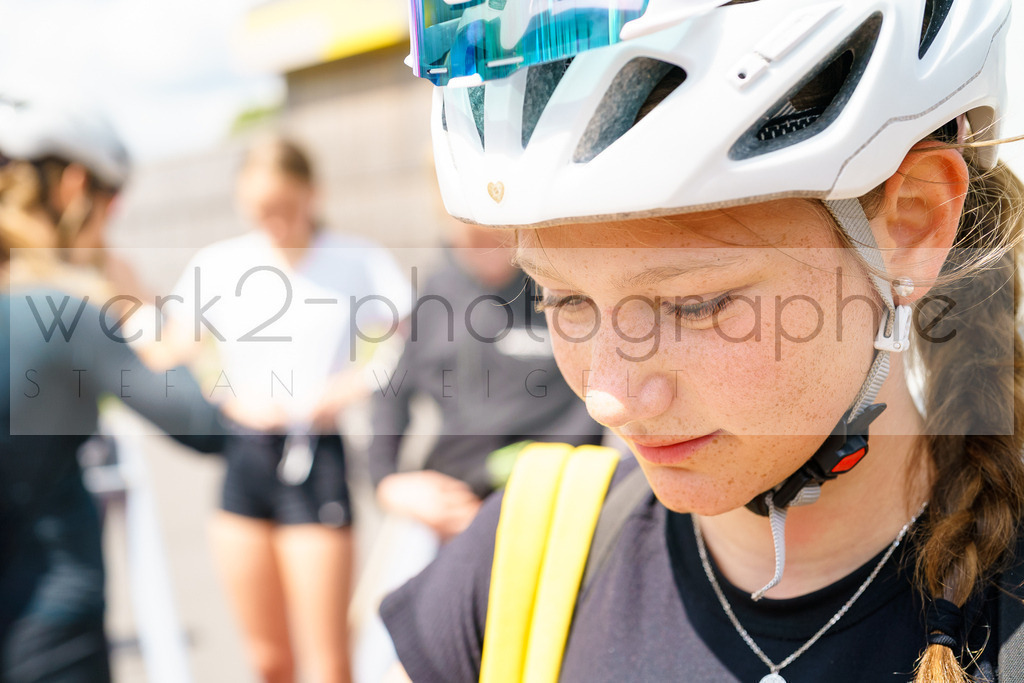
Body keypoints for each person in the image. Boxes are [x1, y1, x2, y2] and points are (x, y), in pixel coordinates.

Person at [381, 1, 1024, 682]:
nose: (609, 397)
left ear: (914, 225)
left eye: (692, 304)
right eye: (563, 299)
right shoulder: (517, 562)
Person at [163, 136, 410, 683]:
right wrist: (225, 391)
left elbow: (405, 343)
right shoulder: (221, 263)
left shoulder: (356, 259)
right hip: (244, 458)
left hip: (315, 455)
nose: (271, 222)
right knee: (268, 661)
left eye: (282, 207)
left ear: (311, 194)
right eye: (258, 211)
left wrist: (344, 390)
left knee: (327, 663)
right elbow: (176, 352)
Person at [0, 95, 228, 683]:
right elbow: (203, 426)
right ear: (75, 188)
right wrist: (140, 312)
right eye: (112, 203)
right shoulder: (61, 310)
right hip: (47, 623)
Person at [370, 219, 605, 540]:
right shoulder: (440, 289)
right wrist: (388, 481)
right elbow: (392, 389)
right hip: (452, 503)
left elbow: (598, 393)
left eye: (495, 237)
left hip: (551, 503)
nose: (485, 250)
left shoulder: (560, 290)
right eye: (470, 238)